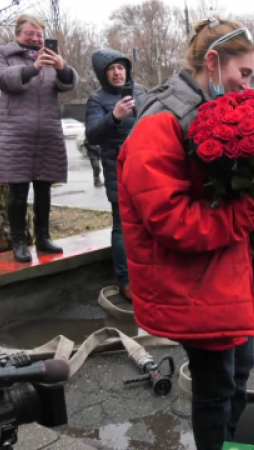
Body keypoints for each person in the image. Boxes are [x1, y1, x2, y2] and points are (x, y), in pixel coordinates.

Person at [117, 17, 254, 450]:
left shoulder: (207, 109)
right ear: (212, 61)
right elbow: (170, 220)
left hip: (216, 277)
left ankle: (230, 442)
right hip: (192, 284)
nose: (247, 85)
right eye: (243, 74)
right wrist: (247, 212)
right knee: (216, 390)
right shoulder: (162, 122)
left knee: (236, 373)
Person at [0, 14, 79, 263]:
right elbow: (1, 78)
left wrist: (61, 66)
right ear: (18, 34)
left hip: (48, 131)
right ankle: (19, 241)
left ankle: (44, 237)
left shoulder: (50, 56)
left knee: (44, 188)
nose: (35, 38)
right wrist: (33, 68)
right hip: (16, 133)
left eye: (39, 34)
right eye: (30, 33)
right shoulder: (5, 54)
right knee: (18, 190)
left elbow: (68, 84)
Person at [85, 49, 146, 301]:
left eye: (121, 67)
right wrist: (115, 116)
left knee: (148, 224)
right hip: (116, 168)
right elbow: (92, 134)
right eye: (111, 69)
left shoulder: (140, 92)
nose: (117, 72)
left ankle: (148, 275)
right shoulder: (97, 99)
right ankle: (125, 281)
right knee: (121, 226)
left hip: (145, 166)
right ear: (103, 74)